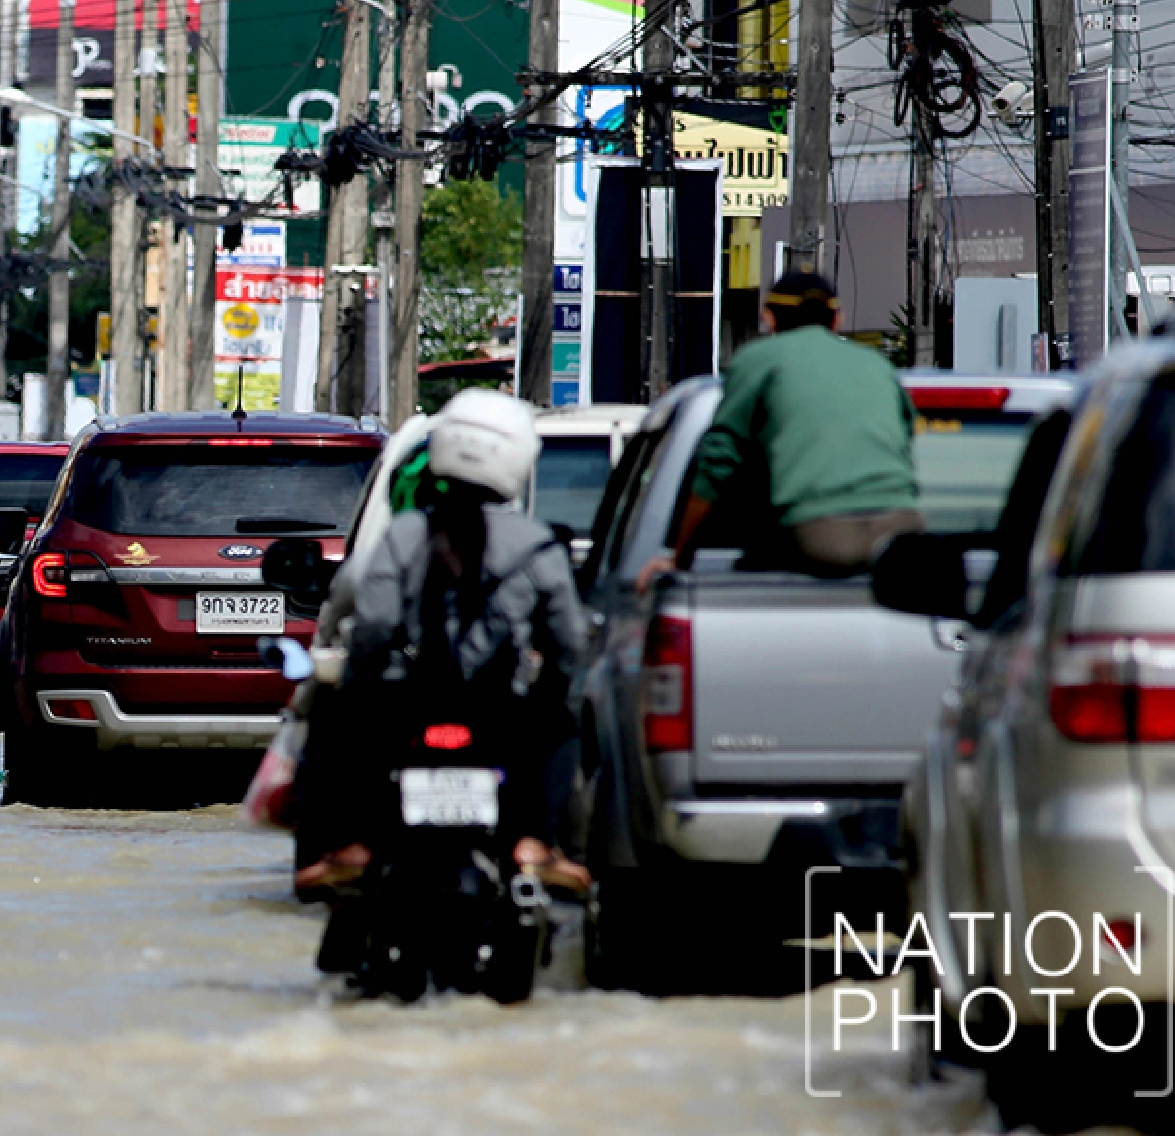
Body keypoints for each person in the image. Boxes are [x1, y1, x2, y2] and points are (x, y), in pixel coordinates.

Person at [292, 389, 594, 894]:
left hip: (405, 709)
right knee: (565, 720)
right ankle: (536, 842)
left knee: (329, 712)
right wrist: (551, 688)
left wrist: (359, 685)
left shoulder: (403, 535)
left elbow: (373, 631)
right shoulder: (538, 544)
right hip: (502, 713)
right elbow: (568, 646)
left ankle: (351, 845)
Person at [642, 271, 921, 584]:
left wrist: (679, 560)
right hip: (902, 533)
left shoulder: (758, 360)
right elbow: (908, 439)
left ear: (769, 318)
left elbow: (717, 463)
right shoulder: (876, 364)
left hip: (819, 534)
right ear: (837, 319)